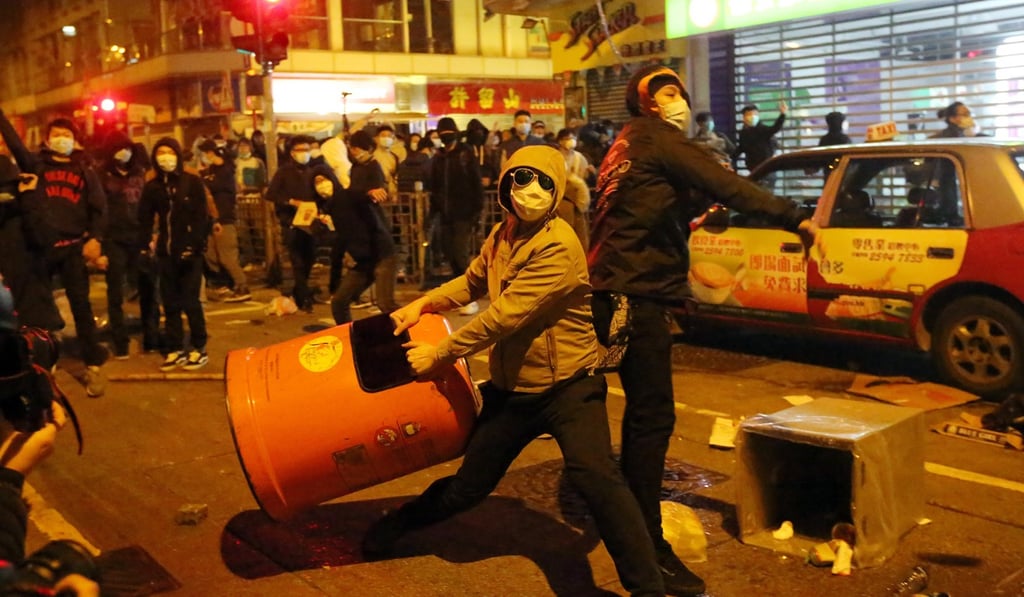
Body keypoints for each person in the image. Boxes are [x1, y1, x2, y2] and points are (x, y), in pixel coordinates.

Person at [361, 145, 667, 597]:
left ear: (558, 189)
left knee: (597, 476)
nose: (532, 191)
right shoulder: (504, 233)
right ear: (505, 185)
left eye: (544, 182)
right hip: (514, 391)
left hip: (569, 386)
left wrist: (440, 353)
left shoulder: (558, 245)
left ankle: (648, 589)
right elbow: (472, 282)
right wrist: (423, 303)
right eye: (522, 179)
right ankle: (398, 524)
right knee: (468, 487)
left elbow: (505, 316)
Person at [587, 64, 818, 597]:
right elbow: (725, 183)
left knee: (627, 417)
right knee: (649, 419)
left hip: (619, 287)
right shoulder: (656, 137)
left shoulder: (627, 146)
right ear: (647, 102)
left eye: (681, 93)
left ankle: (635, 533)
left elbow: (653, 205)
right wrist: (793, 216)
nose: (679, 101)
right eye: (668, 92)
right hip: (633, 293)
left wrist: (694, 211)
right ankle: (645, 547)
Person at [0, 112, 109, 398]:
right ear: (47, 140)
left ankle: (92, 364)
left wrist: (95, 238)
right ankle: (45, 361)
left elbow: (99, 207)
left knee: (81, 307)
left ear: (75, 141)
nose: (62, 140)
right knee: (40, 310)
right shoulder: (36, 166)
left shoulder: (85, 171)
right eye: (57, 135)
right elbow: (16, 145)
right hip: (42, 248)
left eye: (67, 135)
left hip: (72, 247)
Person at [139, 138, 212, 372]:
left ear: (178, 155)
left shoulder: (191, 182)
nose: (165, 157)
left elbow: (202, 216)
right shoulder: (153, 187)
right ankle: (175, 348)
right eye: (160, 152)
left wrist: (197, 245)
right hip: (165, 253)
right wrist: (144, 244)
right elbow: (144, 217)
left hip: (190, 252)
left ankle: (199, 347)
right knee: (170, 303)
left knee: (191, 301)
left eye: (170, 152)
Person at [97, 132, 160, 358]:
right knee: (115, 292)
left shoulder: (141, 173)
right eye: (117, 148)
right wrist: (100, 246)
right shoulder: (101, 176)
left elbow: (152, 204)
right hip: (114, 239)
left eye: (126, 148)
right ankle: (120, 342)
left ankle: (151, 338)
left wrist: (153, 233)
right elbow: (98, 210)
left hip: (140, 236)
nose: (123, 153)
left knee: (147, 288)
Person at [335, 130, 397, 317]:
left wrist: (369, 193)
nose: (354, 152)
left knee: (385, 303)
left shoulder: (373, 168)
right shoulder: (354, 172)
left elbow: (372, 195)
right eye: (352, 148)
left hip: (380, 250)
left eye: (357, 148)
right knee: (339, 302)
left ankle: (411, 330)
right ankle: (346, 332)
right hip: (364, 256)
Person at [429, 117, 484, 314]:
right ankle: (459, 296)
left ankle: (471, 297)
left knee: (461, 254)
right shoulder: (439, 157)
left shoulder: (465, 154)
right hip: (445, 215)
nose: (446, 137)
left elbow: (476, 184)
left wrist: (477, 211)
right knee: (450, 254)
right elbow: (434, 187)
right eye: (442, 133)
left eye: (448, 133)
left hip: (464, 213)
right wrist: (433, 212)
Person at [266, 135, 319, 312]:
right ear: (292, 153)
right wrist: (290, 202)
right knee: (297, 262)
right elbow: (271, 194)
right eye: (300, 150)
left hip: (310, 222)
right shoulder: (284, 172)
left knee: (310, 258)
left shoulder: (313, 171)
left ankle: (299, 292)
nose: (304, 153)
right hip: (291, 223)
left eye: (307, 149)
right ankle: (304, 298)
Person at [197, 139, 250, 303]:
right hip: (210, 220)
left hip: (224, 219)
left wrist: (202, 179)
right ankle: (223, 285)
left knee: (227, 256)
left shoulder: (226, 171)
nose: (206, 156)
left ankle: (242, 286)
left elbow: (211, 186)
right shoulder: (210, 171)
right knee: (211, 255)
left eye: (208, 153)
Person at [554, 128, 592, 248]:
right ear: (560, 141)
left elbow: (585, 176)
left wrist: (591, 173)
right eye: (567, 138)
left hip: (578, 200)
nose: (571, 141)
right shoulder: (555, 157)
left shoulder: (579, 157)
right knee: (564, 232)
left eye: (573, 138)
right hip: (562, 200)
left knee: (581, 234)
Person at [734, 101, 787, 173]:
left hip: (767, 166)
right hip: (753, 167)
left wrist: (782, 114)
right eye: (749, 115)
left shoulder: (762, 129)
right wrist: (731, 158)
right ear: (744, 118)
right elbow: (741, 147)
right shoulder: (743, 133)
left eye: (754, 114)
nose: (752, 117)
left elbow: (775, 128)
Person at [373, 124, 400, 201]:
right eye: (383, 135)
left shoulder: (394, 157)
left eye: (389, 136)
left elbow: (395, 175)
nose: (386, 138)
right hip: (375, 192)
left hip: (390, 193)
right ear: (376, 138)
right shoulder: (372, 156)